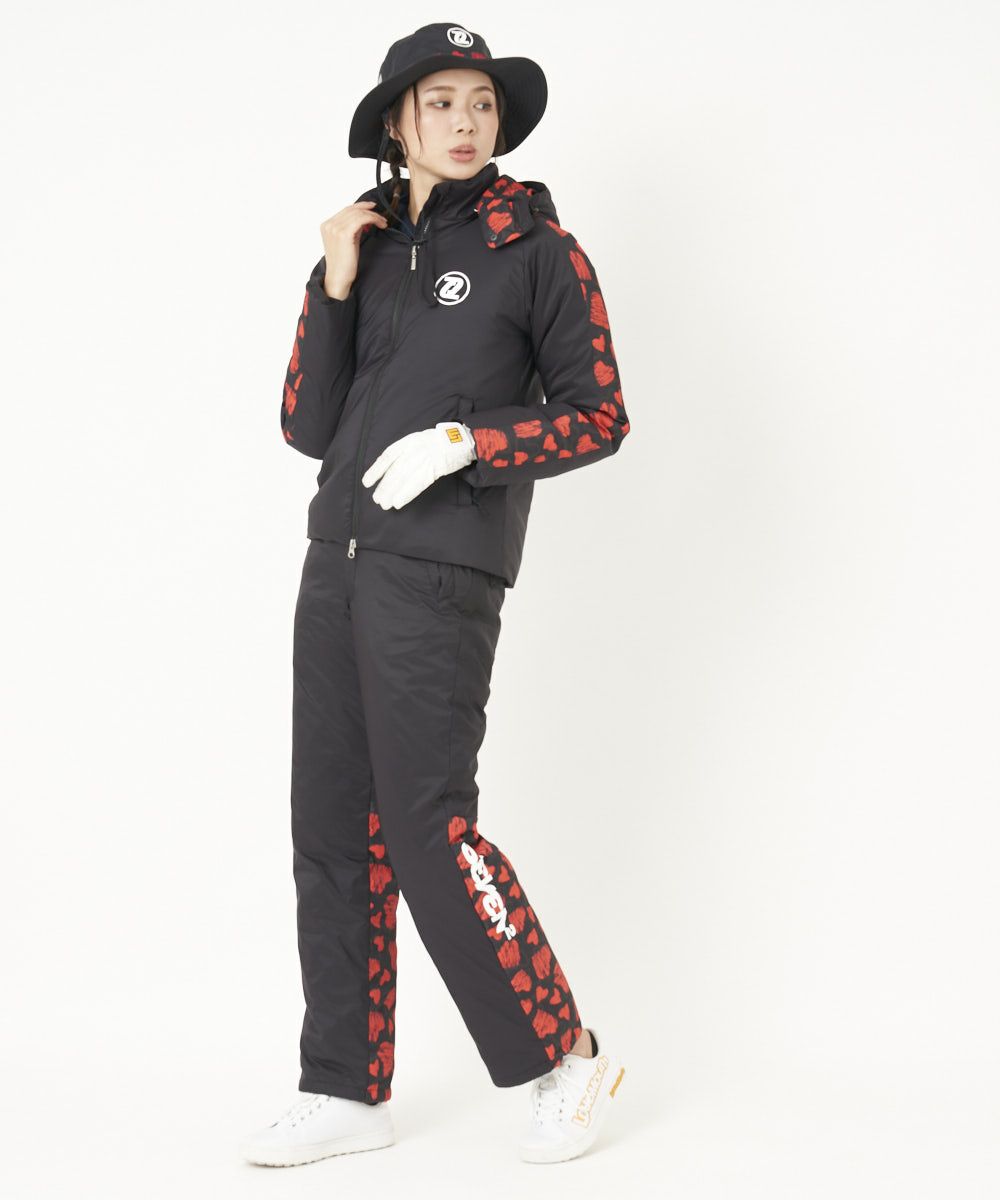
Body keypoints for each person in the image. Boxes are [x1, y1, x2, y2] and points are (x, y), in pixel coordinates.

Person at [242, 21, 631, 1168]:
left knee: (426, 831)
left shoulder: (537, 249)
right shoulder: (365, 246)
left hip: (440, 570)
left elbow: (600, 414)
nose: (466, 122)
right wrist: (333, 282)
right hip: (338, 561)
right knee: (330, 829)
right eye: (442, 103)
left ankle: (565, 1056)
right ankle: (345, 1087)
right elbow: (305, 424)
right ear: (397, 125)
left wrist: (472, 443)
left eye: (481, 102)